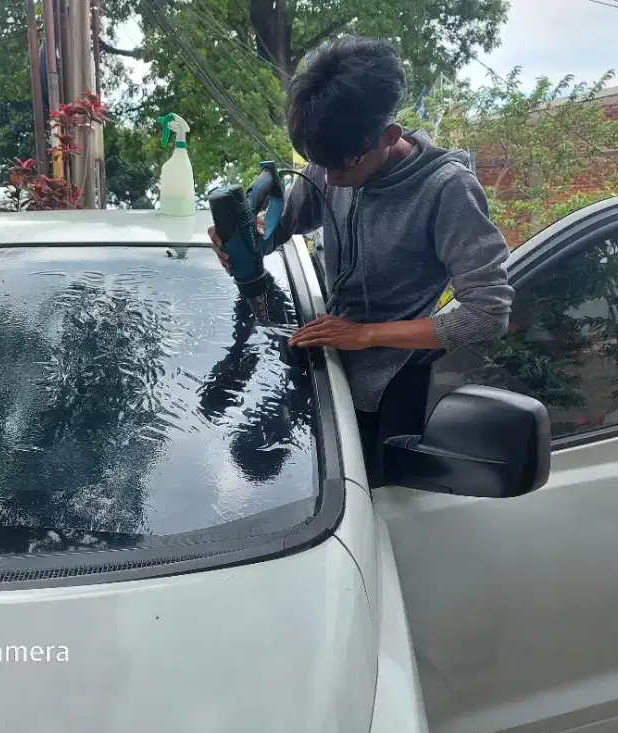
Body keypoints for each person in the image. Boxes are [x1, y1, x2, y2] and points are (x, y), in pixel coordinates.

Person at [208, 35, 514, 486]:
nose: (330, 179)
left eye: (342, 167)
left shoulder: (447, 190)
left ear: (388, 137)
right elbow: (285, 226)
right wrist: (242, 240)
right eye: (318, 164)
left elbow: (488, 314)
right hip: (323, 369)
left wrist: (366, 335)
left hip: (384, 398)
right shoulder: (335, 153)